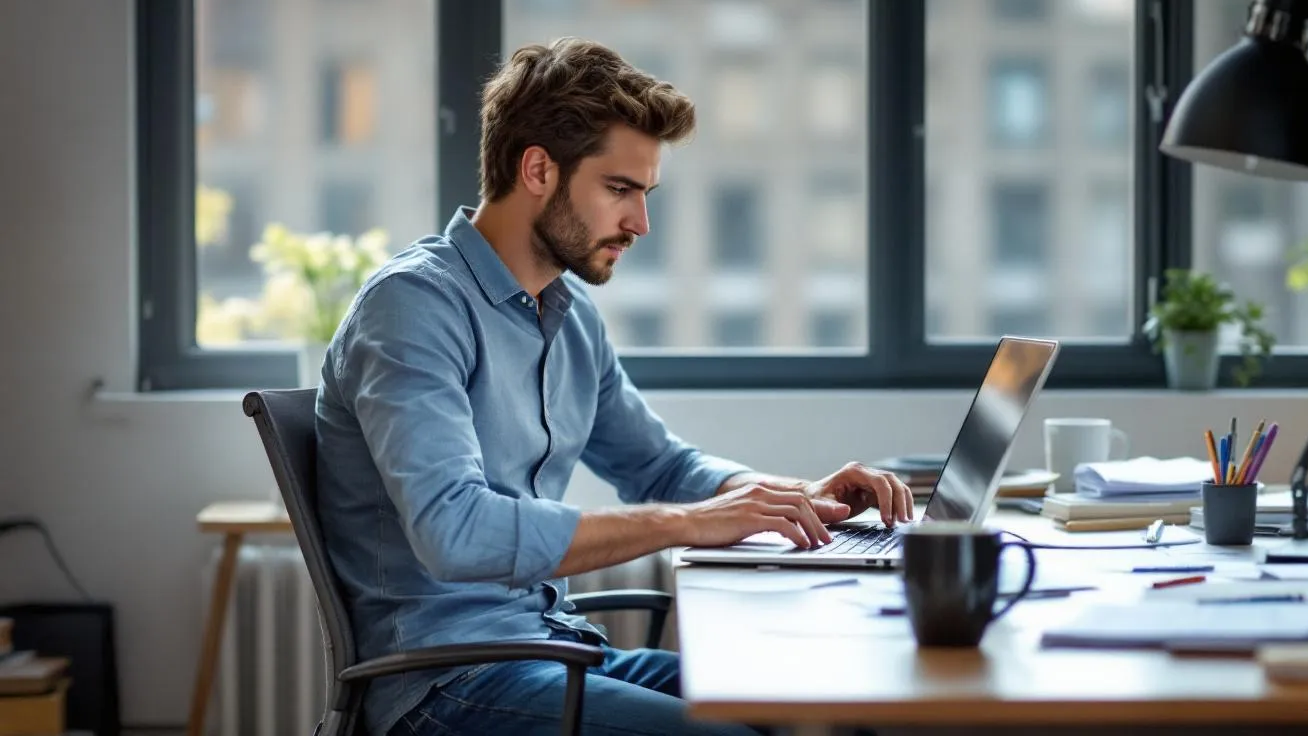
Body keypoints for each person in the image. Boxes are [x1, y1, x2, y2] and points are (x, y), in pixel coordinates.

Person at [314, 37, 915, 736]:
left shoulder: (568, 318)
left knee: (844, 696)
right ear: (537, 168)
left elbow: (660, 465)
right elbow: (455, 532)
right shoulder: (414, 307)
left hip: (555, 651)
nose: (640, 223)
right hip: (446, 683)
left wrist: (789, 497)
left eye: (644, 194)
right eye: (619, 190)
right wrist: (688, 523)